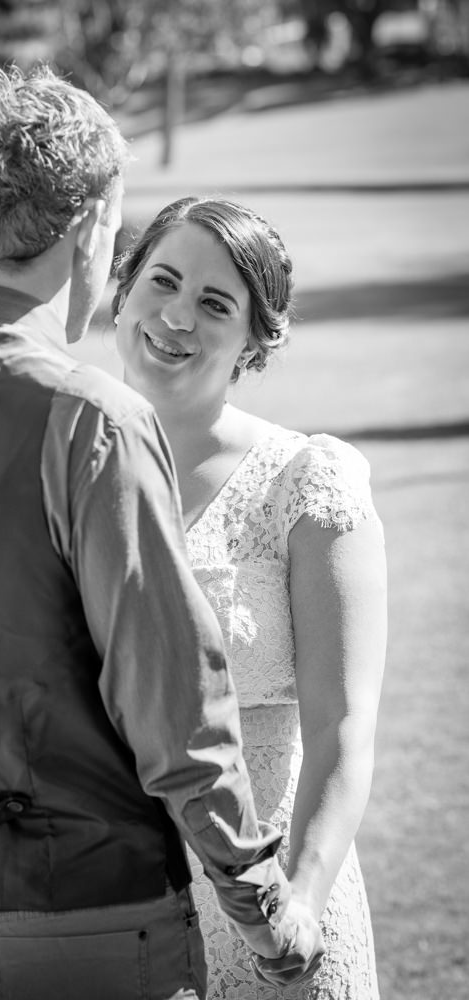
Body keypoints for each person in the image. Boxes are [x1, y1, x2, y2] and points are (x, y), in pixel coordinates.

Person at [0, 68, 325, 1000]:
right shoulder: (94, 418)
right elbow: (175, 708)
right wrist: (260, 903)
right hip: (97, 931)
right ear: (92, 229)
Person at [113, 196, 387, 999]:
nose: (174, 316)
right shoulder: (57, 463)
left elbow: (344, 726)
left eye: (214, 303)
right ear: (123, 291)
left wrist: (297, 897)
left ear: (254, 341)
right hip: (107, 924)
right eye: (161, 281)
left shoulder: (306, 483)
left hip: (273, 926)